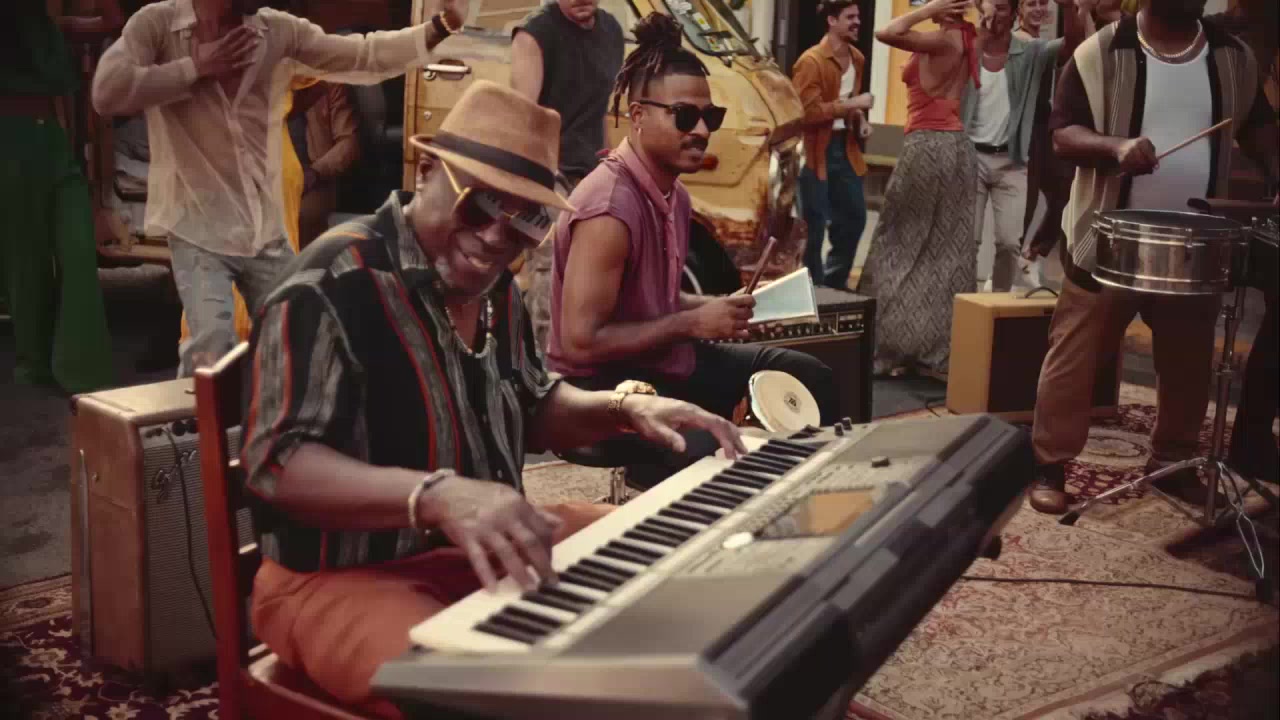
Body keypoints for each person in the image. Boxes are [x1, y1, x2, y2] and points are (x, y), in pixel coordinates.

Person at [240, 80, 746, 716]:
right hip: (335, 577)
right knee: (490, 698)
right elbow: (274, 463)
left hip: (484, 550)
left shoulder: (496, 291)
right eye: (478, 205)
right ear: (426, 171)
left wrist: (624, 408)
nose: (493, 238)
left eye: (526, 222)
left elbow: (534, 408)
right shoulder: (330, 284)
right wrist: (437, 496)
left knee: (684, 568)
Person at [91, 0, 469, 376]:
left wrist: (439, 27)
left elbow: (363, 55)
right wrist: (195, 67)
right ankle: (202, 414)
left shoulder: (278, 32)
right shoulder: (158, 26)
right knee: (211, 353)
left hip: (263, 229)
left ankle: (276, 411)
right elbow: (107, 93)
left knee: (298, 336)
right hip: (197, 227)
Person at [548, 13, 836, 487]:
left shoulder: (674, 195)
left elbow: (652, 301)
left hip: (663, 361)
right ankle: (666, 504)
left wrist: (718, 309)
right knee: (719, 456)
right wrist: (692, 324)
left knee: (809, 377)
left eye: (711, 117)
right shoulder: (609, 209)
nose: (701, 129)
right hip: (604, 388)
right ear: (638, 116)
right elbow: (581, 341)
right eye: (684, 116)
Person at [1027, 0, 1278, 514]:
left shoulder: (1234, 57)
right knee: (1074, 360)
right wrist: (1114, 147)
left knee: (1188, 363)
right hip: (1106, 241)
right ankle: (1050, 464)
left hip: (1193, 247)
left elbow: (1260, 134)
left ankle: (1174, 463)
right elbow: (1062, 135)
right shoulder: (1100, 52)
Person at [0, 0, 117, 395]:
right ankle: (35, 362)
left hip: (51, 135)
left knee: (77, 247)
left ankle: (81, 368)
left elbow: (108, 21)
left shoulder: (43, 23)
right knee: (24, 257)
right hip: (11, 138)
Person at [857, 0, 979, 376]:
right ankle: (928, 351)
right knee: (944, 255)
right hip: (954, 148)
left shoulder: (943, 40)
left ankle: (890, 347)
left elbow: (885, 32)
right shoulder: (963, 38)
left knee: (897, 247)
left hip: (927, 146)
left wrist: (927, 10)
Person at [510, 0, 625, 353]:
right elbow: (522, 119)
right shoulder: (535, 34)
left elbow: (599, 112)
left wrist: (611, 168)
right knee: (548, 280)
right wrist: (534, 186)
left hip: (591, 174)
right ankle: (542, 374)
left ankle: (578, 368)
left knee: (593, 282)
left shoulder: (611, 32)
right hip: (549, 173)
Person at [963, 0, 1085, 293]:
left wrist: (1069, 8)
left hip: (1012, 159)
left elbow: (1072, 45)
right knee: (968, 241)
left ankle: (997, 301)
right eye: (990, 6)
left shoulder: (1030, 51)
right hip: (971, 157)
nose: (994, 15)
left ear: (1012, 12)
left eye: (1001, 8)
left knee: (1009, 243)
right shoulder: (968, 47)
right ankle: (963, 304)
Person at [792, 0, 876, 291]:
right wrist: (852, 105)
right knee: (813, 226)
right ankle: (813, 290)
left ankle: (834, 284)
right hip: (814, 151)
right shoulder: (810, 62)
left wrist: (858, 119)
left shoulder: (857, 58)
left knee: (854, 218)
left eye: (858, 16)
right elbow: (806, 113)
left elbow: (847, 103)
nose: (857, 22)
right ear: (831, 20)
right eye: (850, 17)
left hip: (845, 148)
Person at [289, 80, 360, 249]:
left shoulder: (331, 84)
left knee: (300, 218)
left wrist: (315, 172)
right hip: (268, 178)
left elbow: (350, 143)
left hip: (314, 179)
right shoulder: (259, 85)